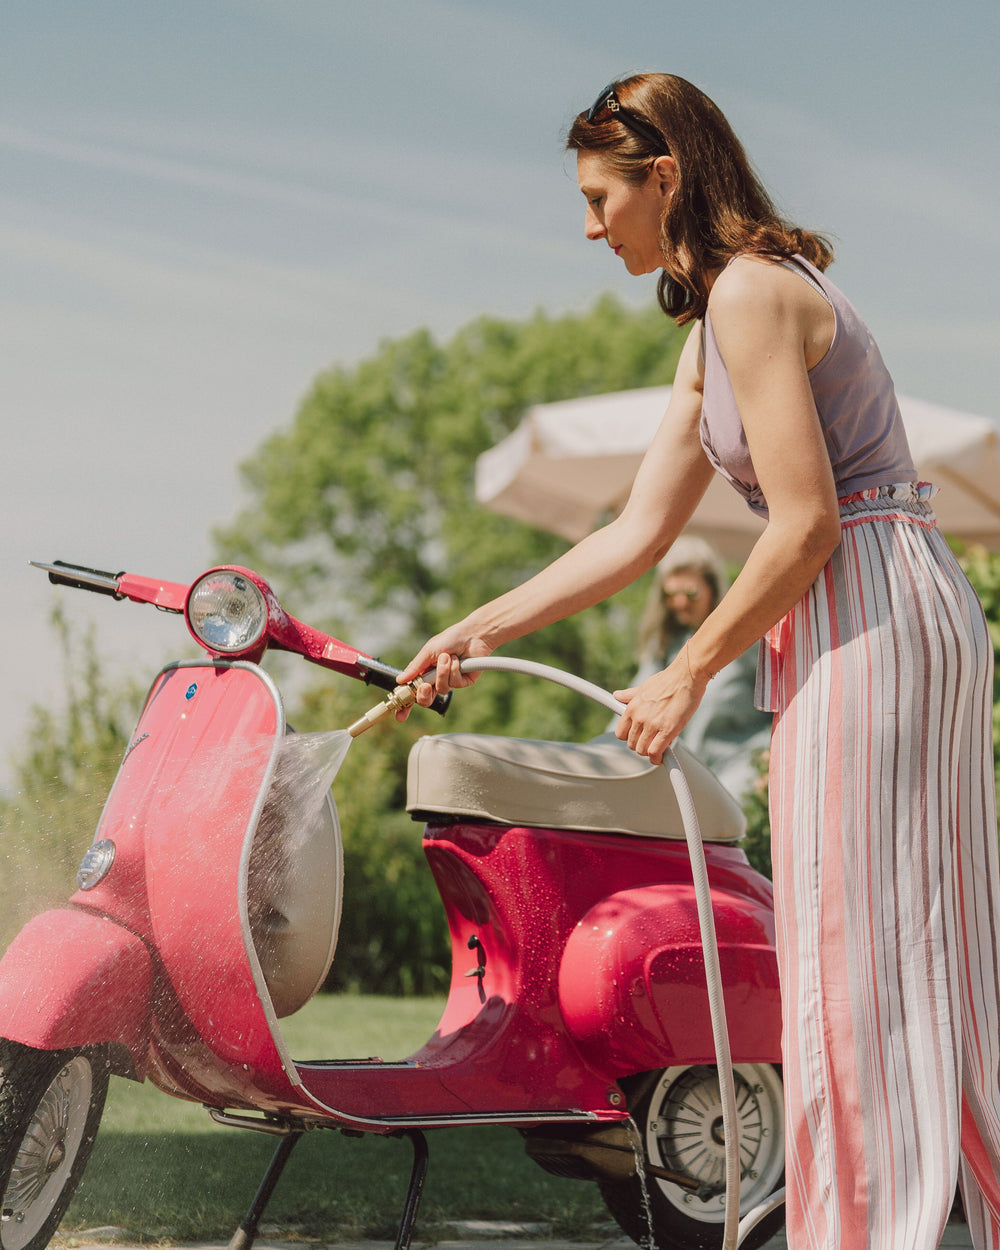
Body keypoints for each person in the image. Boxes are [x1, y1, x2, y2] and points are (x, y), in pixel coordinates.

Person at [398, 73, 1000, 1250]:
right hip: (855, 605)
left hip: (872, 598)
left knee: (863, 941)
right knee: (858, 937)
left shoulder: (757, 296)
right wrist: (472, 629)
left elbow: (807, 520)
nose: (588, 226)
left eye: (597, 197)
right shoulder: (709, 322)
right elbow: (632, 535)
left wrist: (689, 671)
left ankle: (874, 1223)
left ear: (663, 174)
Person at [628, 535, 772, 801]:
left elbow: (778, 710)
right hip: (678, 781)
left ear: (713, 590)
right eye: (671, 595)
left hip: (735, 781)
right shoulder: (665, 648)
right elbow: (632, 706)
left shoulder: (745, 644)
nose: (680, 603)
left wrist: (766, 760)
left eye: (691, 594)